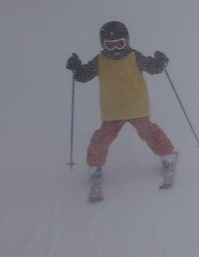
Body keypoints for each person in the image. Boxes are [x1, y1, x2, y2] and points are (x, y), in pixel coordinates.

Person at [66, 21, 178, 199]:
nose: (115, 48)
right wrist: (76, 67)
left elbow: (153, 67)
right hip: (113, 110)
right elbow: (83, 76)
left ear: (127, 41)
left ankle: (168, 156)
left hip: (136, 107)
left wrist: (160, 61)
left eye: (120, 43)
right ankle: (95, 168)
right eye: (110, 45)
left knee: (149, 132)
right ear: (103, 44)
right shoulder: (100, 60)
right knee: (101, 139)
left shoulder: (134, 56)